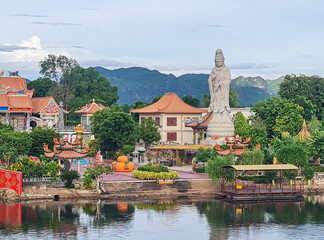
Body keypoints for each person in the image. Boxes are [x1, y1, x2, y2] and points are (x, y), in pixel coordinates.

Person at [208, 49, 231, 121]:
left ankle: (224, 118)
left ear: (223, 60)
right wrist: (211, 80)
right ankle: (216, 118)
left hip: (222, 90)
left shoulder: (226, 69)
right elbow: (210, 79)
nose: (218, 63)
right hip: (216, 90)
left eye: (219, 61)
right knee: (216, 104)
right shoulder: (214, 70)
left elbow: (228, 80)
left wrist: (221, 84)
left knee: (223, 104)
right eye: (216, 61)